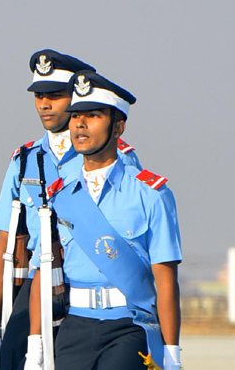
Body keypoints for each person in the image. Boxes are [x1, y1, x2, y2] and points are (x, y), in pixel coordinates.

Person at [0, 50, 142, 370]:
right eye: (39, 96)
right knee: (15, 357)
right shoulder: (24, 159)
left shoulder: (114, 156)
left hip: (89, 286)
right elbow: (5, 247)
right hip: (40, 284)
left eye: (55, 95)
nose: (44, 104)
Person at [29, 70, 181, 370]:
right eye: (75, 116)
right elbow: (41, 274)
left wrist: (172, 354)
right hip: (74, 327)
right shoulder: (58, 196)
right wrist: (35, 349)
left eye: (94, 115)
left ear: (118, 127)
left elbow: (165, 281)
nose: (81, 124)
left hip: (131, 326)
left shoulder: (152, 194)